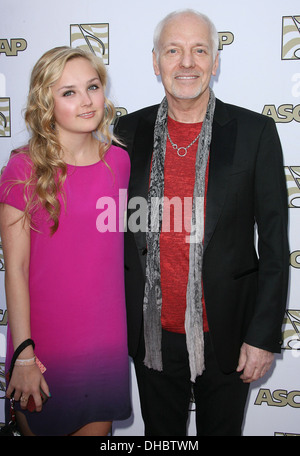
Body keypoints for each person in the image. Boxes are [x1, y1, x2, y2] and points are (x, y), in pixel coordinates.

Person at [113, 9, 289, 436]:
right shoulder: (124, 131)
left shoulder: (255, 132)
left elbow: (275, 245)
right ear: (156, 63)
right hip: (150, 334)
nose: (186, 63)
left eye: (199, 50)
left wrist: (263, 336)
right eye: (173, 50)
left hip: (227, 333)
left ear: (215, 61)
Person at [0, 46, 131, 436]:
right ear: (46, 102)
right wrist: (23, 354)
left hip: (104, 341)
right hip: (42, 346)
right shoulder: (23, 168)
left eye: (92, 87)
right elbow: (16, 269)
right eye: (69, 92)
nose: (86, 100)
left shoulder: (120, 162)